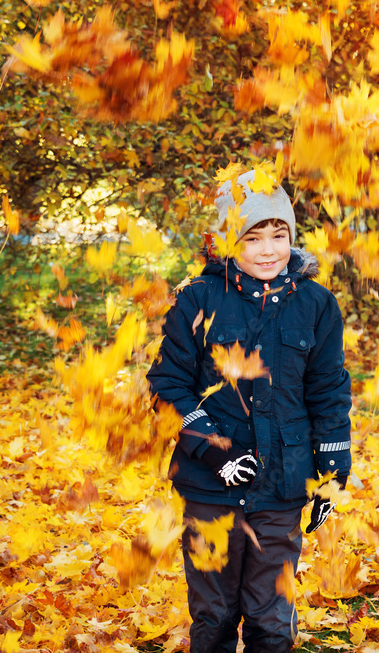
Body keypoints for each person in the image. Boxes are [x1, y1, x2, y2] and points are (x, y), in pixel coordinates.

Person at [147, 169, 352, 653]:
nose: (267, 250)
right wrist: (215, 450)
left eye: (278, 235)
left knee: (271, 620)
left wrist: (332, 472)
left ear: (291, 237)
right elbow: (166, 386)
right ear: (227, 241)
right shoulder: (198, 300)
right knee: (214, 616)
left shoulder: (317, 306)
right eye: (252, 237)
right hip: (209, 491)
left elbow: (328, 393)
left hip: (281, 488)